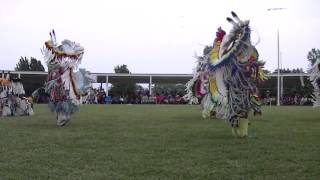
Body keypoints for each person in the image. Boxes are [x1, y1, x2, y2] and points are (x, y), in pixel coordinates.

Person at [184, 12, 267, 138]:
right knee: (235, 108)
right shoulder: (227, 55)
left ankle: (243, 133)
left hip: (244, 87)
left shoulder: (245, 54)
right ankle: (236, 129)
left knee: (244, 107)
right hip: (232, 87)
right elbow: (221, 54)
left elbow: (251, 61)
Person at [42, 30, 95, 126]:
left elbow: (79, 51)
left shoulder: (66, 66)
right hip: (58, 85)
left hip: (66, 84)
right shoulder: (54, 65)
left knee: (67, 100)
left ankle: (62, 117)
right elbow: (52, 71)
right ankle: (60, 119)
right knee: (60, 101)